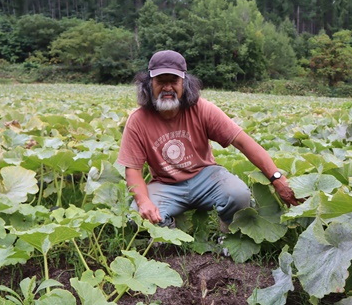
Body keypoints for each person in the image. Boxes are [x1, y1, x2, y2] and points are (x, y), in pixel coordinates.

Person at [117, 50, 299, 232]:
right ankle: (167, 226)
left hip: (205, 178)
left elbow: (243, 142)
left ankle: (228, 229)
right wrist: (144, 202)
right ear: (149, 85)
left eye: (173, 81)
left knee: (238, 195)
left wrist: (277, 178)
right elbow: (133, 170)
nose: (167, 88)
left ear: (184, 83)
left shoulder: (202, 109)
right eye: (160, 82)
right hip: (166, 184)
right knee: (136, 216)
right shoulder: (138, 120)